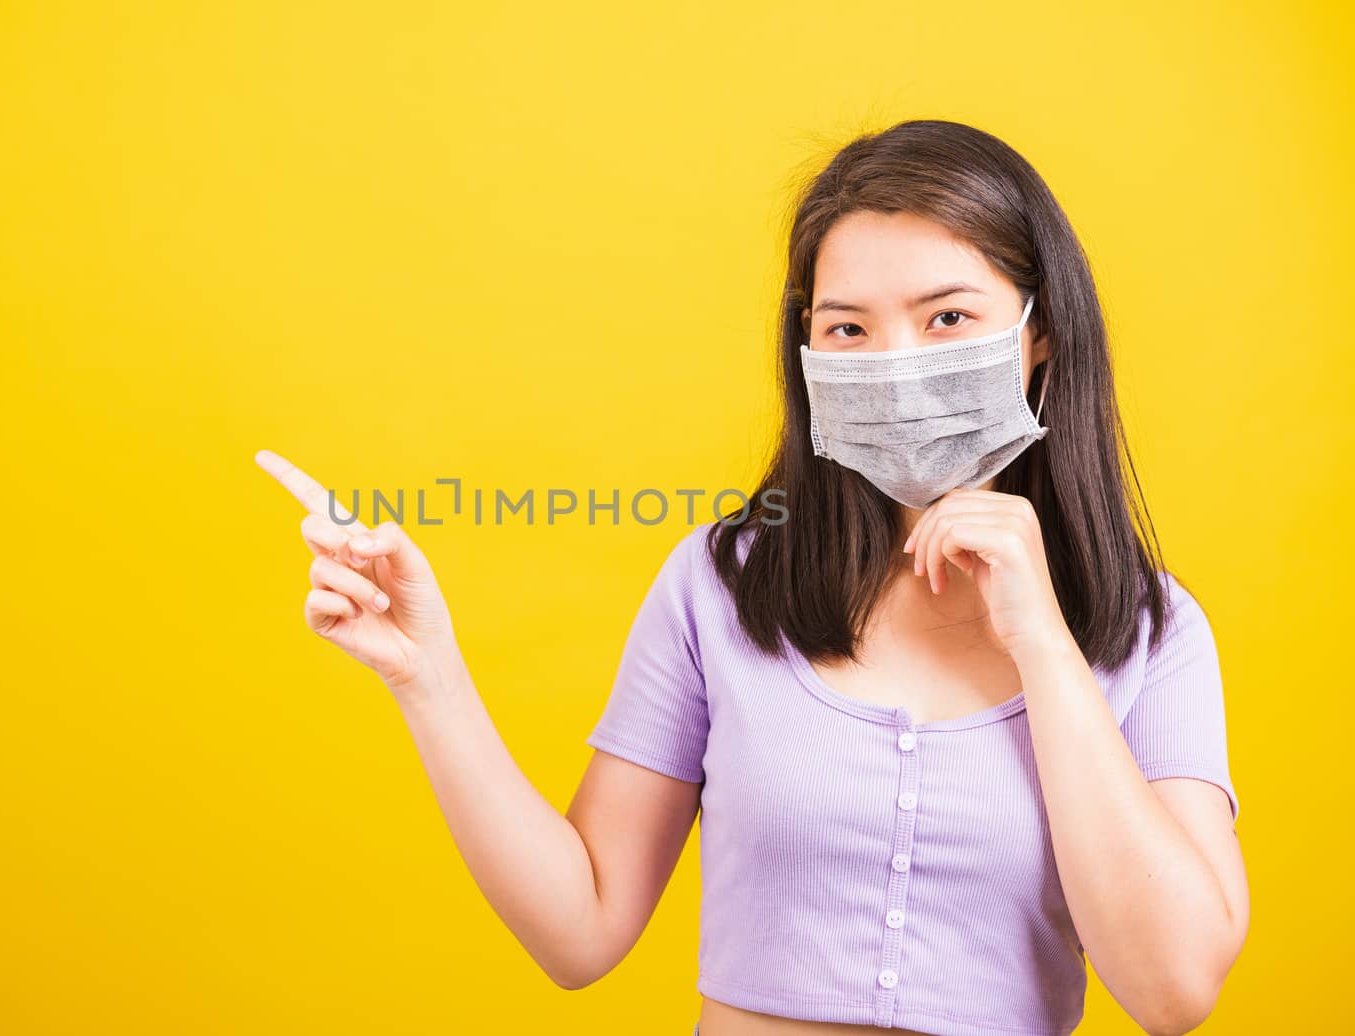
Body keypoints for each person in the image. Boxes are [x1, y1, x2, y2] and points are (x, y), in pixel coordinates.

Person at [254, 118, 1248, 1036]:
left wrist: (1043, 645)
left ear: (1039, 332)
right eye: (848, 328)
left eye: (946, 317)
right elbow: (580, 929)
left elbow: (1173, 989)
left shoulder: (1151, 634)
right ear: (807, 349)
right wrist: (424, 674)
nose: (894, 362)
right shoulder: (720, 586)